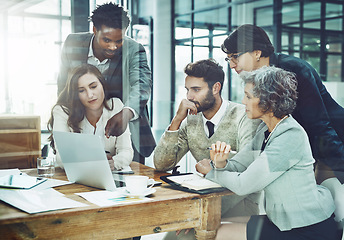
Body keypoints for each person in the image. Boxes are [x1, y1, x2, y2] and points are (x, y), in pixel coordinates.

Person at [196, 66, 340, 240]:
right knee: (213, 222)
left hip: (308, 229)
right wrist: (219, 163)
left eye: (248, 96)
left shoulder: (290, 136)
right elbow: (238, 165)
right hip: (283, 221)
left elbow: (244, 185)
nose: (243, 101)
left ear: (268, 101)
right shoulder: (266, 130)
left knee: (219, 233)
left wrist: (211, 172)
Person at [221, 24, 344, 224]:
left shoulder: (294, 70)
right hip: (307, 146)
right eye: (229, 59)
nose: (232, 64)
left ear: (257, 52)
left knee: (327, 212)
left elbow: (320, 125)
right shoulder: (258, 81)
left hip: (332, 142)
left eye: (235, 56)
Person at [154, 59, 261, 240]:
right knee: (170, 237)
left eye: (196, 90)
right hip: (204, 199)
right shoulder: (191, 120)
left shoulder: (244, 116)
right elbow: (161, 163)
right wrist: (176, 121)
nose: (189, 97)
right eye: (187, 90)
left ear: (216, 88)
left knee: (182, 237)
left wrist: (197, 214)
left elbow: (246, 169)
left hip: (239, 203)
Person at [57, 2, 155, 164]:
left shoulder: (134, 49)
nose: (113, 46)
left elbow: (142, 84)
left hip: (125, 136)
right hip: (83, 131)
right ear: (95, 30)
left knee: (131, 186)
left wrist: (126, 113)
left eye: (119, 41)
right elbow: (63, 86)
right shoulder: (73, 43)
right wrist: (64, 123)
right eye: (107, 40)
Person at [48, 64, 133, 171]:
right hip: (74, 177)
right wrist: (94, 164)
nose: (90, 95)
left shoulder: (116, 106)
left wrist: (113, 163)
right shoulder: (63, 111)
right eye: (81, 90)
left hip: (107, 176)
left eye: (93, 87)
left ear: (102, 84)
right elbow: (61, 158)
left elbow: (126, 151)